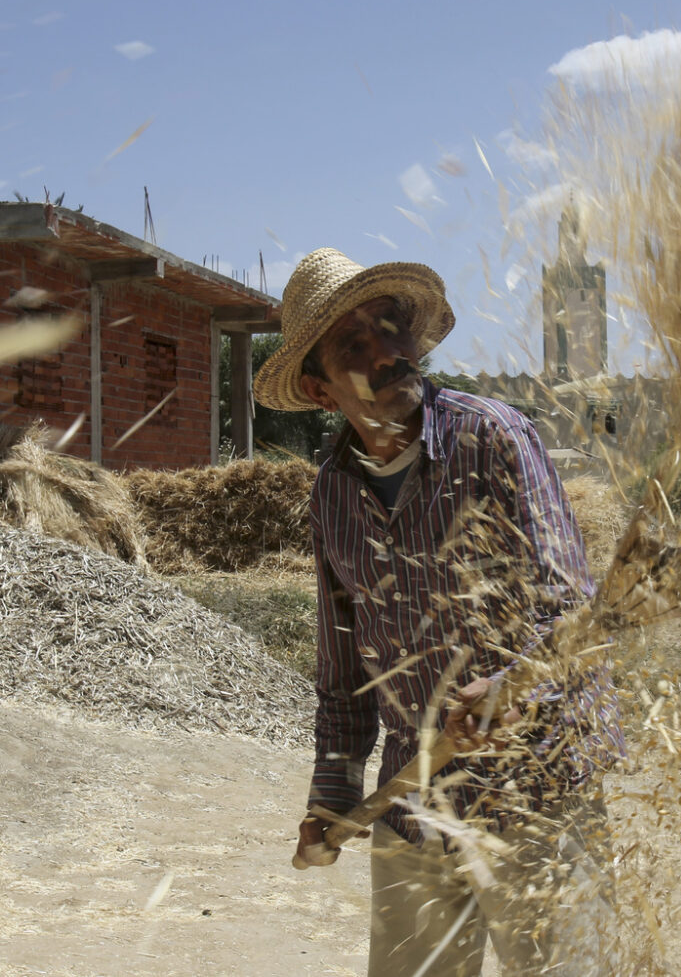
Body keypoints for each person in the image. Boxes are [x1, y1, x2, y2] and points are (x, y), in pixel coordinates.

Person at [252, 248, 624, 976]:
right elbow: (343, 676)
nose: (386, 353)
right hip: (414, 803)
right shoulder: (332, 496)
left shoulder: (492, 438)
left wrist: (511, 685)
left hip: (536, 789)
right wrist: (332, 796)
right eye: (353, 344)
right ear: (319, 389)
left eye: (390, 327)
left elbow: (572, 610)